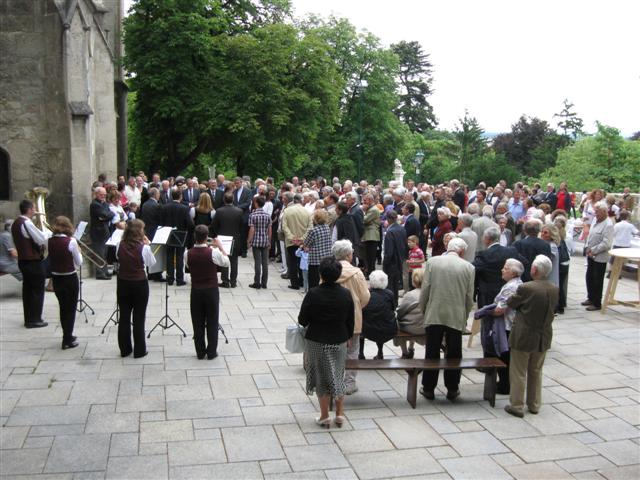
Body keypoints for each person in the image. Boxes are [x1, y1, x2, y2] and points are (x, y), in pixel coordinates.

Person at [299, 257, 354, 428]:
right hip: (339, 339)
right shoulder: (345, 294)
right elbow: (350, 320)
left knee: (321, 378)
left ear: (321, 273)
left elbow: (302, 319)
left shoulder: (313, 293)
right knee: (338, 375)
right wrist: (348, 336)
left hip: (317, 340)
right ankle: (339, 414)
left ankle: (324, 416)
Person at [419, 238, 474, 401]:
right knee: (455, 352)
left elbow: (425, 289)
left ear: (447, 247)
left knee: (432, 351)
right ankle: (452, 388)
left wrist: (424, 310)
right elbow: (469, 297)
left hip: (435, 312)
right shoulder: (469, 267)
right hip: (456, 314)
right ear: (462, 252)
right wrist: (465, 314)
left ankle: (428, 388)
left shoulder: (433, 262)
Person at [504, 255, 559, 418]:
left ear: (534, 269)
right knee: (536, 370)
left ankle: (517, 405)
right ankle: (534, 404)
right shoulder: (554, 288)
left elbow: (511, 302)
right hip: (543, 334)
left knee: (519, 371)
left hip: (524, 334)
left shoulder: (526, 288)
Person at [476, 258, 524, 395]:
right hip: (509, 324)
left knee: (504, 355)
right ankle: (504, 382)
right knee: (505, 355)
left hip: (507, 325)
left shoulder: (511, 287)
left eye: (506, 268)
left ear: (514, 273)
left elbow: (500, 310)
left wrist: (485, 312)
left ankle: (505, 385)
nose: (502, 270)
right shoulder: (514, 283)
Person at [185, 225, 230, 359]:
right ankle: (211, 352)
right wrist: (221, 247)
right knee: (212, 320)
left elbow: (188, 266)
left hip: (196, 290)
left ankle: (200, 351)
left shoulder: (187, 253)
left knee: (197, 321)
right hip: (211, 290)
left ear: (195, 237)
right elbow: (226, 262)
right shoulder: (213, 252)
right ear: (206, 237)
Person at [332, 240, 370, 395]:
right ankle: (349, 383)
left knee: (335, 348)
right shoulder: (357, 273)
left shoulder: (330, 271)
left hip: (334, 317)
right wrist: (357, 307)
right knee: (353, 349)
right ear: (348, 255)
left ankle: (335, 379)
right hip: (353, 316)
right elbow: (365, 296)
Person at [116, 219, 156, 358]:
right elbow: (152, 264)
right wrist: (148, 245)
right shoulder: (144, 247)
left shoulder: (119, 244)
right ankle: (139, 350)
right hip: (139, 283)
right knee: (139, 317)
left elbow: (118, 258)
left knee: (124, 316)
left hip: (123, 282)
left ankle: (125, 349)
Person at [11, 199, 49, 328]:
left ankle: (29, 317)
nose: (35, 211)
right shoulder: (27, 222)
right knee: (37, 290)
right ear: (29, 210)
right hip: (33, 261)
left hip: (23, 260)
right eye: (33, 208)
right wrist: (49, 233)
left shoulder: (16, 222)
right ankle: (35, 319)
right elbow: (40, 239)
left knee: (28, 290)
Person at [47, 216, 83, 349]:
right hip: (69, 278)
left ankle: (67, 334)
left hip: (56, 278)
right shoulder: (71, 241)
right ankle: (67, 338)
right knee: (71, 308)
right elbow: (79, 262)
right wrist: (79, 252)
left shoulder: (49, 241)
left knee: (63, 308)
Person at [473, 227, 521, 308]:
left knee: (487, 317)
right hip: (507, 290)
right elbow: (524, 263)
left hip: (488, 293)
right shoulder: (511, 251)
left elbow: (473, 269)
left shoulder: (484, 254)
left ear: (487, 239)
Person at [583, 202, 614, 311]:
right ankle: (590, 297)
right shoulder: (596, 220)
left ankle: (597, 302)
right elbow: (590, 235)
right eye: (595, 211)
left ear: (604, 212)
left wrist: (594, 250)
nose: (595, 214)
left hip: (600, 257)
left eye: (597, 212)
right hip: (591, 254)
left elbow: (607, 243)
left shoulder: (608, 225)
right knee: (589, 277)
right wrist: (587, 248)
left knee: (597, 279)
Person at [359, 270, 396, 360]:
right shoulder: (390, 294)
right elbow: (393, 308)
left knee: (362, 323)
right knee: (382, 320)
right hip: (388, 328)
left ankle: (361, 353)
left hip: (368, 329)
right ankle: (380, 351)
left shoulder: (367, 294)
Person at [210, 193, 243, 288]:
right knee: (234, 261)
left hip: (223, 239)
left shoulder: (219, 211)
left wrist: (217, 234)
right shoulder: (239, 211)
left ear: (224, 200)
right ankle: (233, 281)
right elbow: (242, 226)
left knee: (224, 259)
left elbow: (214, 225)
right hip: (235, 238)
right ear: (233, 200)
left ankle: (225, 281)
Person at [162, 189, 194, 286]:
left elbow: (161, 221)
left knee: (169, 256)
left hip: (168, 234)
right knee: (179, 257)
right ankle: (180, 279)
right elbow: (190, 223)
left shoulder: (165, 207)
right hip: (181, 235)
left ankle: (170, 278)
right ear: (180, 196)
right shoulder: (184, 208)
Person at [281, 193, 312, 290]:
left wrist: (291, 237)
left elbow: (284, 226)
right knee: (302, 261)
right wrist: (302, 238)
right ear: (301, 201)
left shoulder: (287, 211)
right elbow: (310, 228)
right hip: (303, 242)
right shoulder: (307, 212)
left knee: (292, 262)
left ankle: (294, 283)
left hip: (291, 242)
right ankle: (302, 281)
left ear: (293, 201)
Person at [395, 268, 426, 358]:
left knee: (397, 323)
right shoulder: (430, 293)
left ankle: (405, 352)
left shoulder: (410, 295)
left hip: (411, 327)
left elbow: (401, 311)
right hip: (426, 326)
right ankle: (411, 347)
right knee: (414, 318)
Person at [303, 209, 332, 289]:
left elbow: (306, 243)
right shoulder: (327, 227)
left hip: (315, 260)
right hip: (326, 258)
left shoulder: (313, 230)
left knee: (313, 282)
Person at [90, 187, 115, 279]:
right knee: (99, 253)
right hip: (98, 232)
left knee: (105, 253)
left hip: (105, 231)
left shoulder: (104, 204)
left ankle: (104, 271)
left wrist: (108, 215)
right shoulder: (94, 204)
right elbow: (104, 215)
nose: (103, 196)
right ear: (96, 194)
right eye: (101, 195)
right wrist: (108, 215)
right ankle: (100, 273)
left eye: (104, 195)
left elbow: (110, 214)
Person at [382, 210, 407, 303]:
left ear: (388, 219)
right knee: (395, 285)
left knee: (390, 286)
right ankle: (395, 303)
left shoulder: (390, 232)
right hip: (399, 261)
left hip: (391, 263)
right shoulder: (402, 229)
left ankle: (391, 304)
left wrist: (385, 263)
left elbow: (389, 252)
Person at [247, 196, 272, 289]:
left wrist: (249, 241)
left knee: (257, 262)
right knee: (265, 262)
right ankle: (264, 283)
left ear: (256, 203)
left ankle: (257, 282)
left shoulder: (252, 215)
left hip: (256, 241)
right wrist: (269, 241)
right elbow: (270, 229)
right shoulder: (267, 215)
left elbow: (252, 229)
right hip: (265, 240)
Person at [361, 193, 381, 279]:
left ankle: (370, 274)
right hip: (369, 236)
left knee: (371, 257)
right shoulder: (371, 208)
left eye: (365, 200)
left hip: (372, 236)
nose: (363, 202)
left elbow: (364, 220)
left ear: (370, 200)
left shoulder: (373, 209)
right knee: (368, 256)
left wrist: (362, 211)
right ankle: (369, 272)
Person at [232, 177, 252, 258]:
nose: (237, 185)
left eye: (238, 183)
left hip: (244, 215)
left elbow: (248, 203)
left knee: (244, 234)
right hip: (236, 216)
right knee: (237, 234)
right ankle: (238, 250)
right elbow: (232, 201)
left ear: (241, 182)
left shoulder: (247, 191)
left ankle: (244, 251)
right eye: (235, 183)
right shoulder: (234, 191)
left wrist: (238, 207)